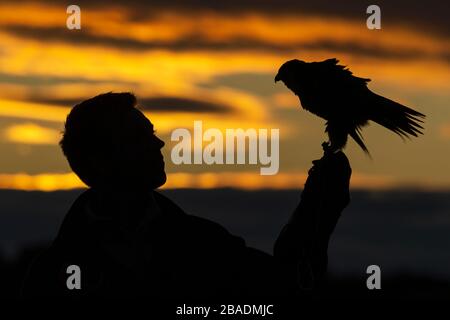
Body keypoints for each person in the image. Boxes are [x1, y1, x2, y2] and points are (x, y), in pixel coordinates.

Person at [22, 92, 351, 300]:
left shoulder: (205, 244)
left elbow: (285, 289)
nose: (160, 144)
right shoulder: (50, 276)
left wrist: (318, 207)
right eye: (141, 136)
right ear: (101, 159)